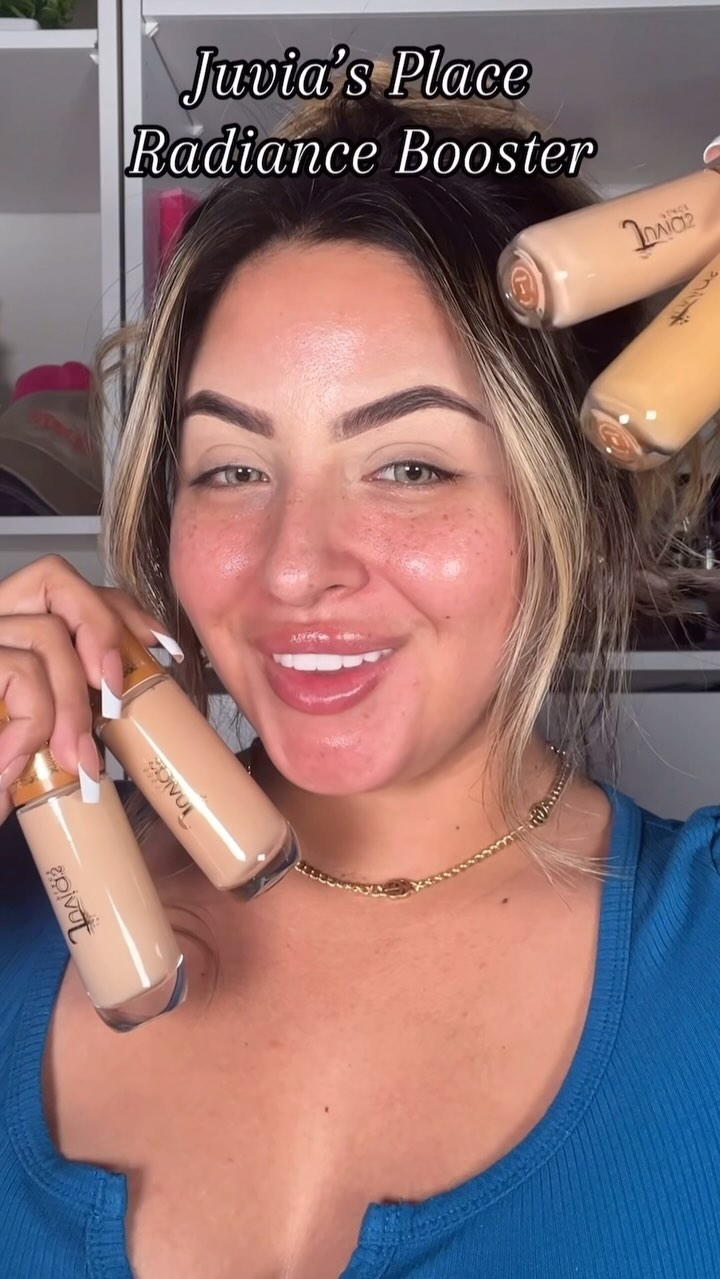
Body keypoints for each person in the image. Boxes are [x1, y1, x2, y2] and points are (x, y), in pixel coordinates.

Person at [1, 72, 719, 1279]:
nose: (294, 567)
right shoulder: (22, 885)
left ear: (580, 504)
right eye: (232, 469)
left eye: (411, 466)